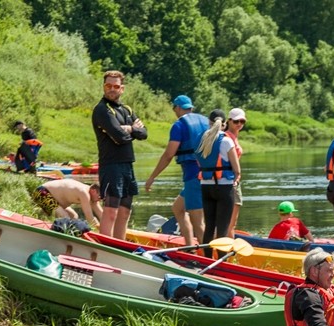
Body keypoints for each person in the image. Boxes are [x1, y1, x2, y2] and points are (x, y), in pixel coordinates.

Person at [145, 95, 209, 246]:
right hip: (209, 175)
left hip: (194, 176)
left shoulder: (179, 126)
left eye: (174, 109)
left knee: (198, 221)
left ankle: (209, 258)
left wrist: (152, 177)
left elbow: (168, 155)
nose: (174, 112)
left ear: (178, 108)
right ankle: (189, 246)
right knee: (178, 208)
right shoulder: (207, 122)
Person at [91, 70, 147, 239]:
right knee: (111, 212)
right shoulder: (102, 110)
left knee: (125, 213)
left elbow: (144, 133)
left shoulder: (126, 109)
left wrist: (130, 128)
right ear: (104, 86)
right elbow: (120, 137)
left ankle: (119, 246)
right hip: (111, 165)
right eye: (108, 85)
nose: (112, 89)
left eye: (116, 86)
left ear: (122, 89)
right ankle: (106, 248)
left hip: (127, 164)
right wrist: (132, 130)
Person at [195, 109, 241, 257]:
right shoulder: (227, 140)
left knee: (209, 226)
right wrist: (236, 179)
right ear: (224, 123)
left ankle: (207, 259)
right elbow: (237, 169)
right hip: (224, 188)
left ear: (209, 122)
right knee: (222, 228)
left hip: (205, 187)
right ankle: (221, 261)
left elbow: (199, 162)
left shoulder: (200, 139)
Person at [31, 180, 103, 228]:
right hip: (42, 192)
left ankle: (37, 212)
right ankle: (35, 212)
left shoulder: (93, 196)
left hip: (55, 200)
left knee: (74, 216)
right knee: (65, 217)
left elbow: (102, 215)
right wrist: (98, 230)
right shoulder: (84, 193)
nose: (100, 199)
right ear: (93, 191)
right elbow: (89, 217)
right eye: (100, 196)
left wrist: (108, 229)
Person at [225, 108, 246, 237]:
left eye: (242, 121)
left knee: (231, 220)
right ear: (229, 121)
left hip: (233, 180)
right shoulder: (227, 137)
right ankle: (229, 248)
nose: (239, 124)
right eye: (236, 121)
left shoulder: (233, 137)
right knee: (231, 221)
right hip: (231, 180)